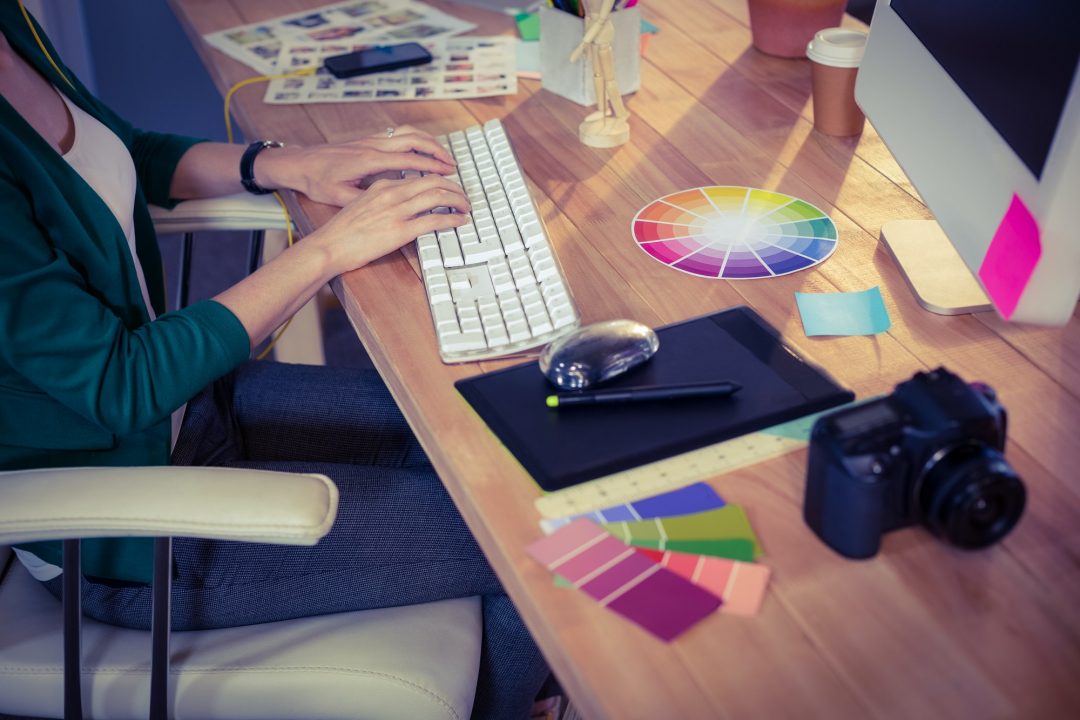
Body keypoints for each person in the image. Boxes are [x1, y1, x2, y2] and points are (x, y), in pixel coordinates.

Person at [0, 2, 549, 717]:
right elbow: (119, 384)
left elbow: (125, 150)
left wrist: (292, 164)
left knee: (511, 435)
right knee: (535, 532)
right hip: (117, 529)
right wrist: (327, 250)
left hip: (188, 414)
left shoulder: (12, 26)